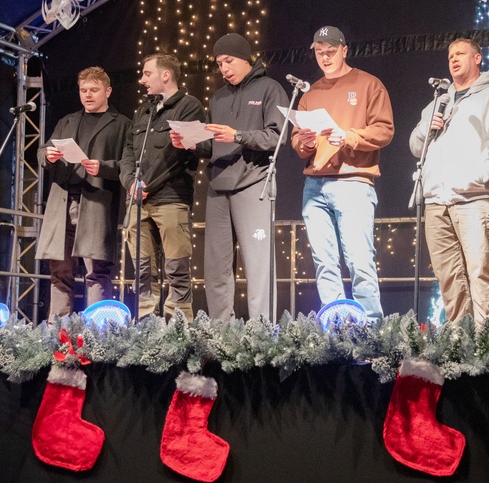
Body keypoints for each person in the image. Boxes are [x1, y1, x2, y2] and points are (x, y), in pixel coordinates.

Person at [171, 33, 288, 321]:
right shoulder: (219, 97)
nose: (223, 68)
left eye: (229, 61)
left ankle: (263, 332)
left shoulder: (270, 89)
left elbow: (278, 136)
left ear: (246, 58)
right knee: (215, 266)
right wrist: (191, 141)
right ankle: (221, 332)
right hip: (218, 186)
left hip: (254, 183)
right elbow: (214, 143)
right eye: (219, 63)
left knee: (258, 264)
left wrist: (238, 135)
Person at [408, 38, 489, 323]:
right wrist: (427, 128)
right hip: (437, 201)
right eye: (450, 55)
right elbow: (414, 145)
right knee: (448, 278)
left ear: (478, 58)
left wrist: (480, 174)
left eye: (461, 53)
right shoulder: (439, 101)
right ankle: (459, 344)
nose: (454, 59)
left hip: (477, 200)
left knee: (481, 273)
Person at [290, 26, 394, 322]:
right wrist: (304, 142)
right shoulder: (310, 93)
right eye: (319, 53)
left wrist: (347, 136)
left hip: (353, 181)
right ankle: (336, 325)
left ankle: (371, 326)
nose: (325, 57)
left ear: (344, 50)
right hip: (315, 185)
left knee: (359, 260)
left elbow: (384, 130)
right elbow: (297, 141)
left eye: (331, 52)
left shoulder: (368, 84)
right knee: (324, 262)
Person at [36, 67, 132, 318]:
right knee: (59, 270)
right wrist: (49, 155)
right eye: (83, 90)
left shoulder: (121, 125)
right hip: (62, 202)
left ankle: (97, 332)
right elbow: (42, 151)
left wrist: (104, 167)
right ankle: (58, 331)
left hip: (95, 203)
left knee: (96, 270)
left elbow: (129, 165)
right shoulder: (67, 121)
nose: (88, 95)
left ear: (108, 91)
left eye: (94, 90)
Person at [120, 53, 205, 320]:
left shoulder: (189, 106)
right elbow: (128, 153)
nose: (142, 79)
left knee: (176, 267)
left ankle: (179, 325)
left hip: (171, 198)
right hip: (138, 201)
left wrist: (148, 184)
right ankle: (146, 323)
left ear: (165, 75)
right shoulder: (142, 111)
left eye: (147, 74)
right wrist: (131, 183)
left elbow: (181, 156)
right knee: (143, 269)